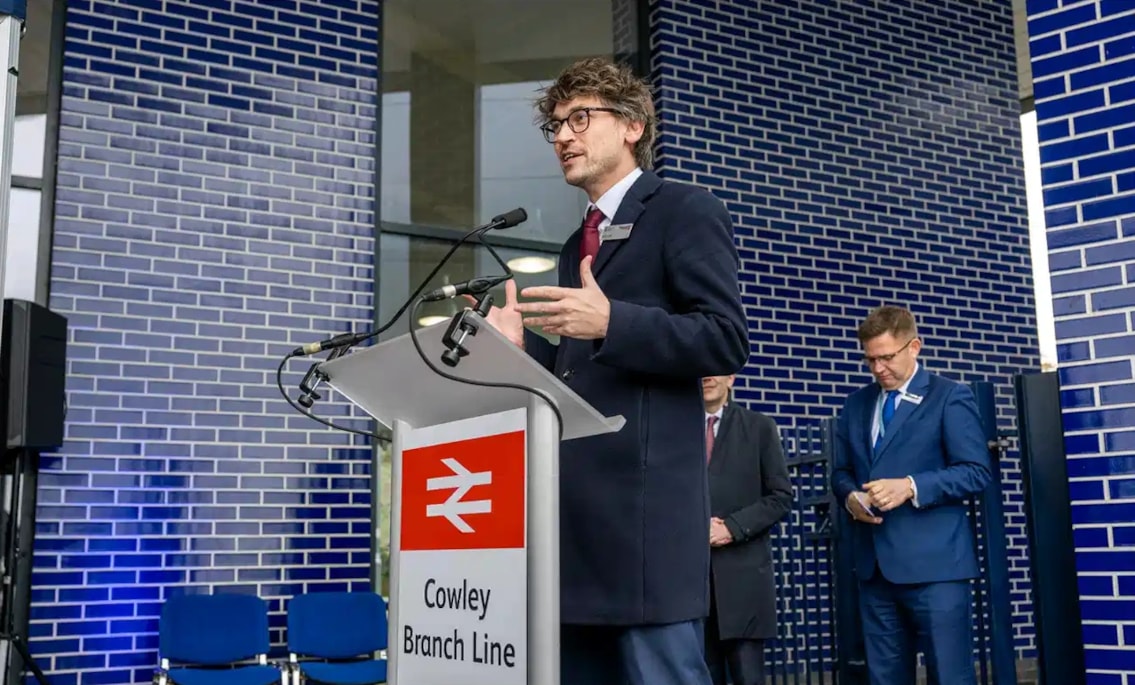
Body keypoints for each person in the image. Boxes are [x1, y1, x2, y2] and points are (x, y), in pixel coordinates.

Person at [478, 57, 748, 685]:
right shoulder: (578, 245)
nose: (563, 137)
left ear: (631, 125)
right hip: (574, 524)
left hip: (644, 524)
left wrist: (613, 323)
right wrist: (520, 349)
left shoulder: (684, 209)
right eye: (555, 126)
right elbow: (581, 374)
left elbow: (725, 339)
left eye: (580, 119)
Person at [830, 305, 991, 685]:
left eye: (886, 357)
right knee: (884, 679)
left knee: (949, 677)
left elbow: (976, 471)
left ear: (914, 346)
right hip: (875, 570)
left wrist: (911, 486)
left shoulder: (950, 396)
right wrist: (851, 497)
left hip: (936, 570)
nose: (878, 369)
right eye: (870, 360)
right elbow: (841, 473)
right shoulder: (856, 404)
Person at [701, 374, 792, 685]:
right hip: (688, 584)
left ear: (731, 376)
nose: (706, 376)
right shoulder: (674, 430)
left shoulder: (759, 427)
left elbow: (780, 498)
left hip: (742, 581)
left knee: (747, 677)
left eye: (716, 368)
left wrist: (732, 527)